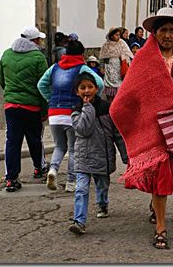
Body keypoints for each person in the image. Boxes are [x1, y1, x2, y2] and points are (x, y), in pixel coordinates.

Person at [110, 7, 173, 249]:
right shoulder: (144, 57)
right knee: (163, 176)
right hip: (153, 125)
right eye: (163, 30)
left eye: (172, 30)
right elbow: (131, 91)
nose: (167, 35)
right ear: (154, 33)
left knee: (166, 174)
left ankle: (156, 207)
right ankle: (161, 229)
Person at [37, 40, 104, 192]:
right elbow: (99, 83)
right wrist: (90, 99)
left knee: (59, 146)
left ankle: (53, 170)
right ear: (81, 54)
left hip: (54, 114)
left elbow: (41, 84)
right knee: (74, 149)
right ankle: (71, 182)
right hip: (72, 113)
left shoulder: (54, 67)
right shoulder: (82, 68)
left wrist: (50, 99)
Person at [68, 72, 128, 234]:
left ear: (96, 88)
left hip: (102, 158)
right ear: (77, 92)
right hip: (84, 158)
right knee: (81, 189)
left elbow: (117, 135)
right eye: (82, 88)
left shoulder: (107, 109)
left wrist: (126, 156)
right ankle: (79, 221)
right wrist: (87, 107)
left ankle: (103, 204)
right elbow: (83, 130)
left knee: (102, 187)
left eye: (90, 87)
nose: (86, 90)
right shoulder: (76, 111)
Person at [0, 26, 50, 192]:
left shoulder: (6, 54)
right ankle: (39, 167)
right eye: (39, 40)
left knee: (12, 142)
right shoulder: (38, 57)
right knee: (35, 139)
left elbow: (2, 81)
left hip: (11, 106)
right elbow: (43, 86)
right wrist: (44, 110)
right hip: (32, 106)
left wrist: (11, 95)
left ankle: (11, 179)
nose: (41, 42)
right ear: (34, 41)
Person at [98, 27, 133, 102]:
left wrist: (124, 59)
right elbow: (102, 58)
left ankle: (118, 103)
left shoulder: (122, 43)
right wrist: (102, 67)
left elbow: (127, 53)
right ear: (111, 36)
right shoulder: (106, 45)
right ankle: (110, 103)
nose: (118, 36)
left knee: (119, 87)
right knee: (109, 87)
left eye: (119, 35)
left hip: (119, 67)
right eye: (116, 35)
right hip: (109, 68)